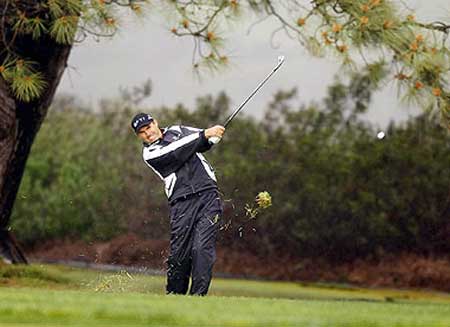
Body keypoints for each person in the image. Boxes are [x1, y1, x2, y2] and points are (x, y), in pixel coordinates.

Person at [131, 113, 225, 296]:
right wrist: (203, 136)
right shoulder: (150, 154)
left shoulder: (177, 130)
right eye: (142, 133)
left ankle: (197, 298)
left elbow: (203, 142)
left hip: (208, 196)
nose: (147, 134)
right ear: (139, 136)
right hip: (181, 203)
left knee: (201, 248)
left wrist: (213, 137)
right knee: (179, 257)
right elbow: (176, 152)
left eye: (148, 127)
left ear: (155, 123)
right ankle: (174, 296)